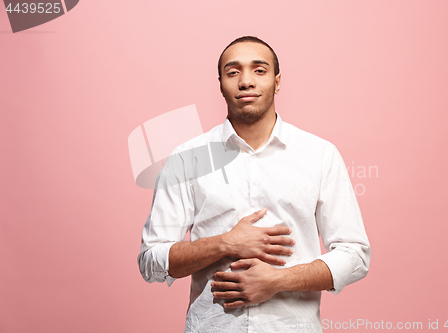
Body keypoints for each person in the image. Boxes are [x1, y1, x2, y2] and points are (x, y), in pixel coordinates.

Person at [138, 36, 371, 333]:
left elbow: (355, 255)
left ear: (277, 81)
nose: (246, 81)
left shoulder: (320, 155)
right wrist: (225, 243)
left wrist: (278, 281)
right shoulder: (187, 159)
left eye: (259, 70)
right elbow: (151, 261)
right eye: (233, 72)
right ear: (220, 83)